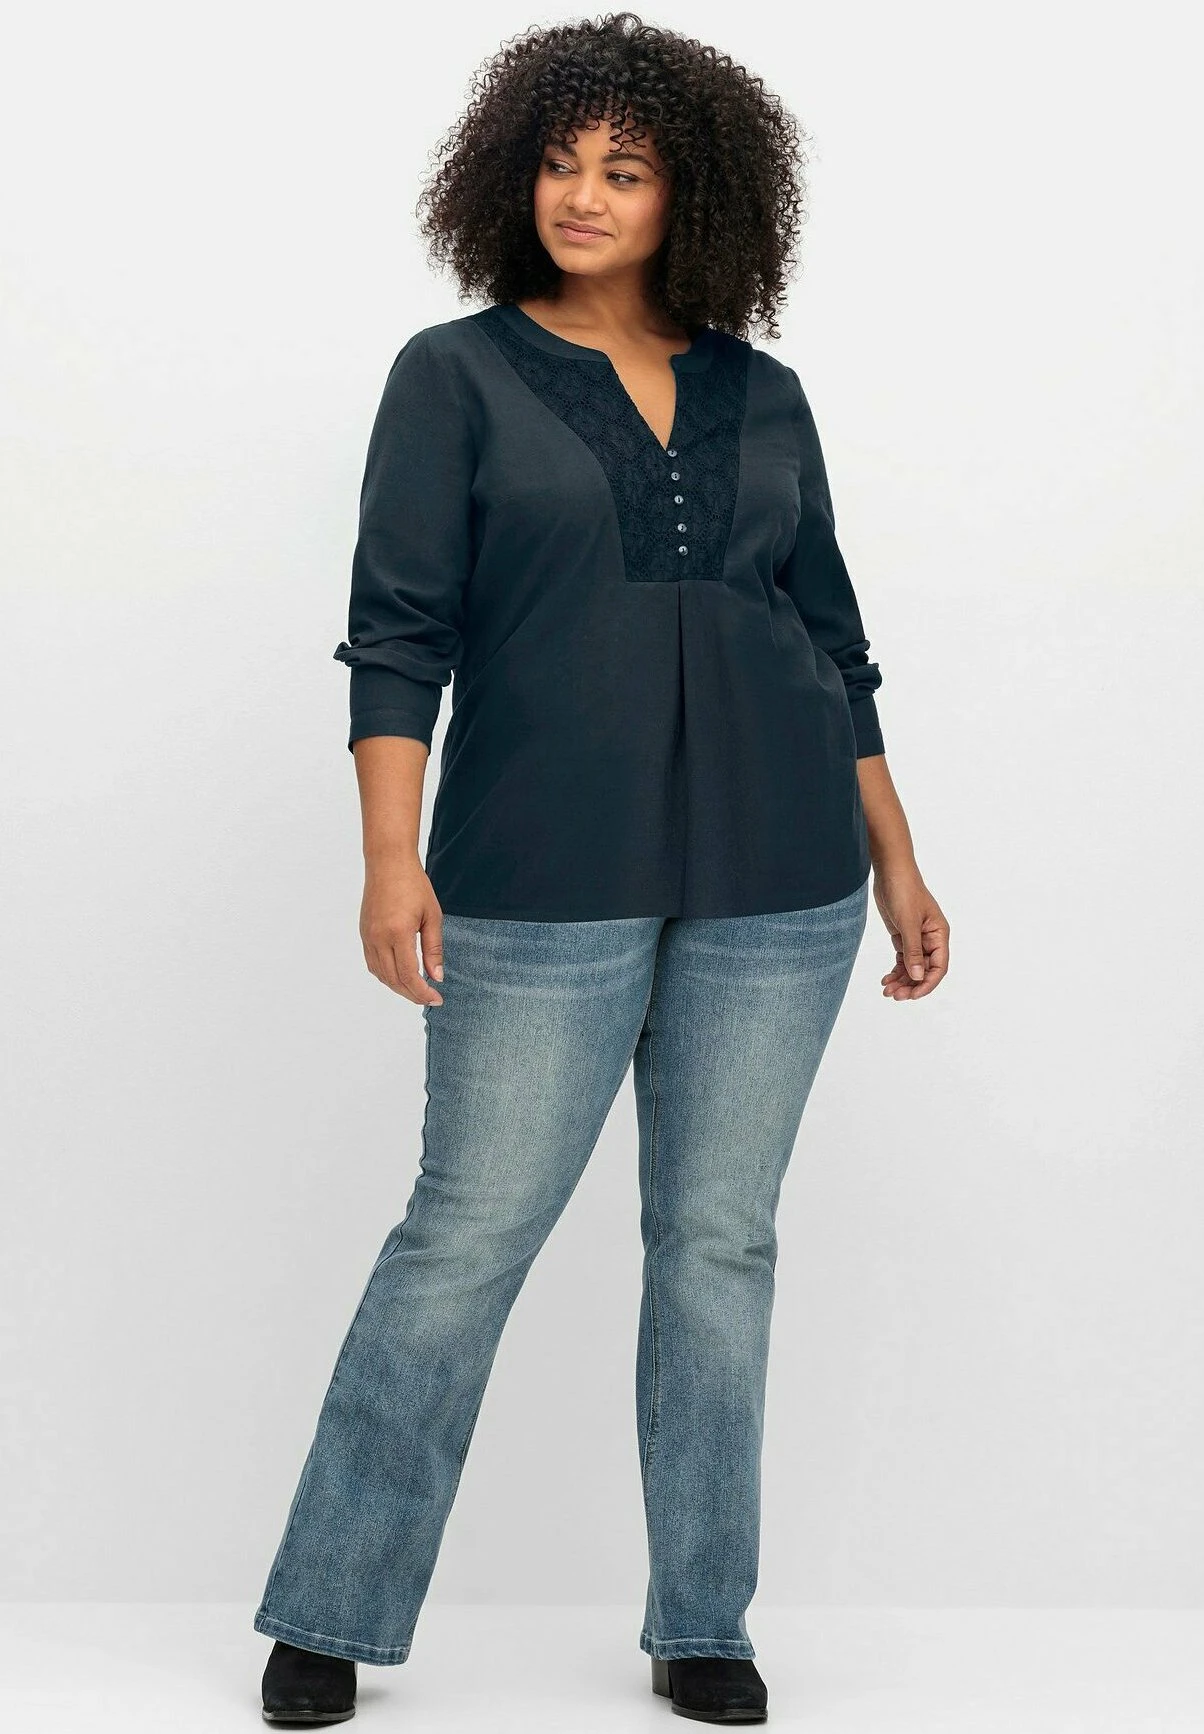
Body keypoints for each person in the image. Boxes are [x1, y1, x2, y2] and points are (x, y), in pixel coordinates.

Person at [252, 11, 950, 1726]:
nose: (582, 193)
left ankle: (703, 1618)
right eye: (560, 162)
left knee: (718, 1242)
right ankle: (331, 1608)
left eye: (624, 169)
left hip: (781, 877)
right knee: (467, 1231)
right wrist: (389, 860)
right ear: (511, 174)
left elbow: (833, 639)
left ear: (689, 194)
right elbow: (398, 632)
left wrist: (900, 858)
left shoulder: (765, 396)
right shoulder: (455, 377)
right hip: (537, 874)